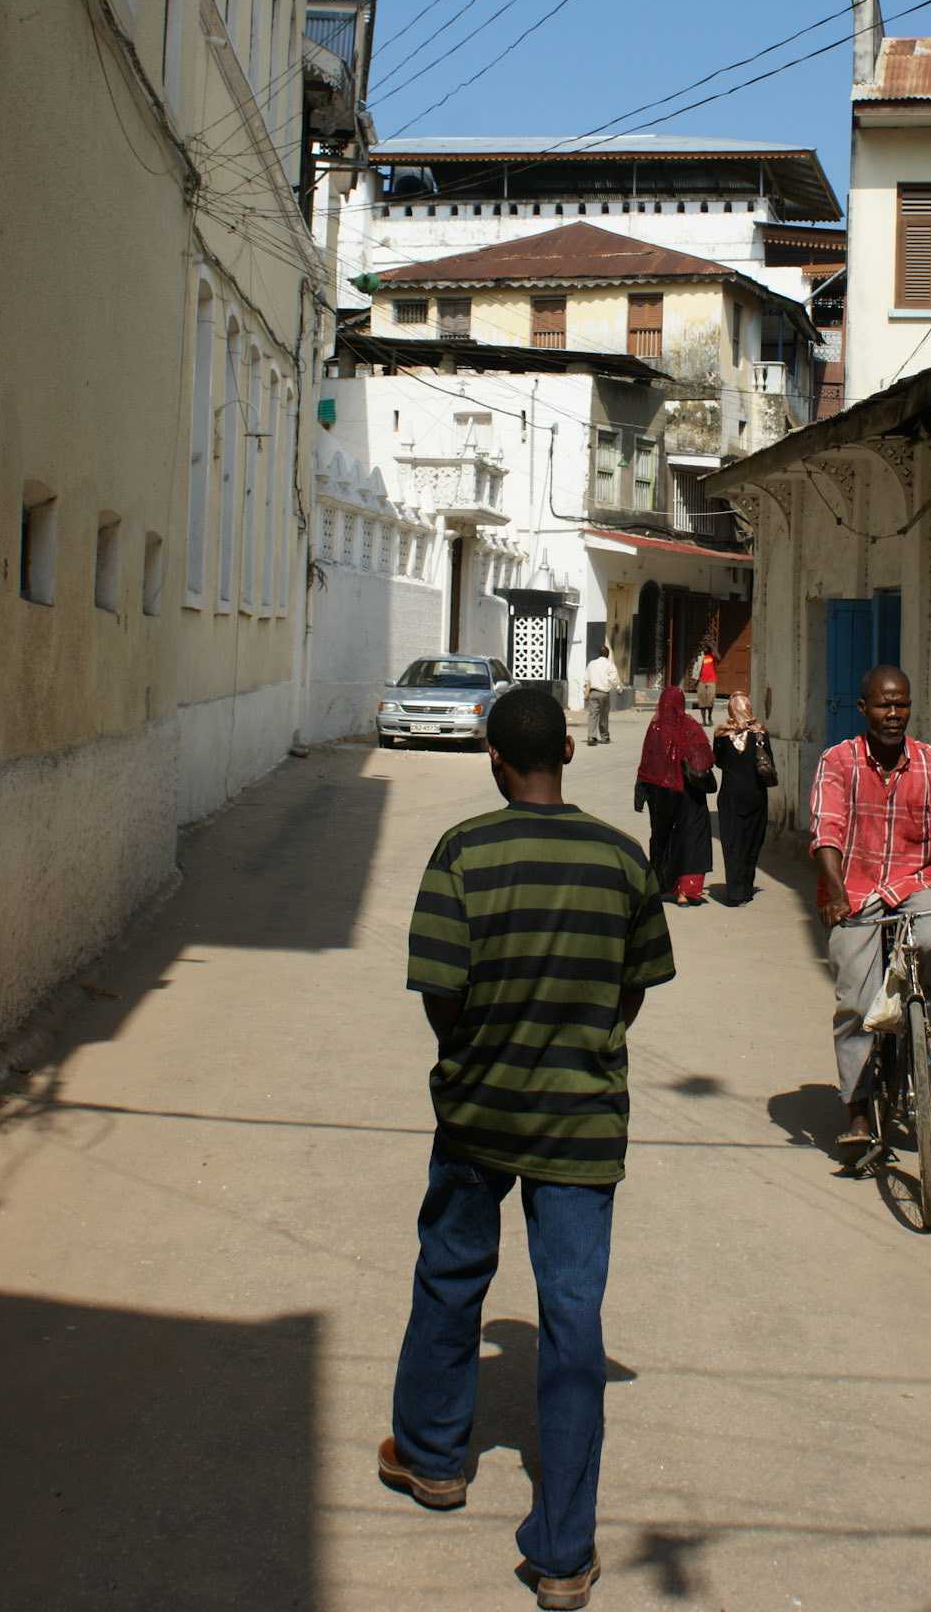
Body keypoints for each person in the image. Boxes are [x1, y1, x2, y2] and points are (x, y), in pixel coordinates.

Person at [378, 686, 675, 1611]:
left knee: (451, 1272)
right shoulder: (623, 860)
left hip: (477, 1113)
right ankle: (563, 1553)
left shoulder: (464, 852)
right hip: (583, 1127)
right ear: (570, 756)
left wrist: (478, 1050)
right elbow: (633, 990)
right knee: (573, 1317)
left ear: (494, 761)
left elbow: (441, 990)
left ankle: (432, 1458)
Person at [809, 665, 931, 1162]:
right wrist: (837, 893)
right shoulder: (838, 762)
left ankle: (919, 1012)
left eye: (901, 704)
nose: (893, 714)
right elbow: (827, 831)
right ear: (863, 709)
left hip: (914, 884)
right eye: (884, 705)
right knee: (855, 1006)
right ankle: (858, 1108)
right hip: (857, 892)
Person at [634, 684, 715, 905]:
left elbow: (646, 763)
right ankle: (685, 892)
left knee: (662, 837)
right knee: (692, 837)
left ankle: (659, 884)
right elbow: (704, 759)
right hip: (689, 794)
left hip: (660, 794)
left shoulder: (655, 728)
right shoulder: (691, 726)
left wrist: (640, 795)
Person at [712, 693, 775, 905]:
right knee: (752, 840)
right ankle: (747, 886)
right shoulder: (760, 733)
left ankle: (734, 891)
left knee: (732, 842)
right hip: (755, 795)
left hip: (730, 796)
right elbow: (769, 762)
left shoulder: (721, 734)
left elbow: (718, 762)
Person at [583, 641, 622, 746]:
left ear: (599, 654)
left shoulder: (591, 664)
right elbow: (612, 680)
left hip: (593, 692)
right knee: (603, 715)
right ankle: (604, 737)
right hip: (604, 693)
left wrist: (586, 692)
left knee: (592, 715)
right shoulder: (610, 665)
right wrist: (618, 689)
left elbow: (587, 679)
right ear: (608, 655)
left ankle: (591, 736)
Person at [694, 646, 719, 725]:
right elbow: (696, 668)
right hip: (701, 681)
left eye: (706, 648)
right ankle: (704, 720)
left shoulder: (713, 655)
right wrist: (695, 679)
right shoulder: (700, 656)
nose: (704, 649)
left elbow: (719, 658)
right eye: (704, 648)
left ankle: (709, 717)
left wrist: (712, 646)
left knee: (710, 701)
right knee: (702, 701)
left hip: (711, 681)